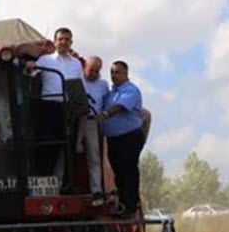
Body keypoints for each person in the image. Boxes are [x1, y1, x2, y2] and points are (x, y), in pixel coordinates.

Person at [26, 28, 82, 179]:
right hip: (49, 107)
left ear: (71, 42)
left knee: (67, 147)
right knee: (48, 145)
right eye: (61, 39)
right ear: (55, 41)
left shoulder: (76, 64)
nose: (64, 42)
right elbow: (31, 73)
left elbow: (79, 85)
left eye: (67, 39)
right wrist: (30, 66)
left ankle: (61, 183)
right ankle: (44, 179)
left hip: (68, 108)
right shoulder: (45, 60)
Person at [98, 60, 145, 215]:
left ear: (125, 73)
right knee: (118, 173)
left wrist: (106, 114)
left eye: (117, 72)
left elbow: (120, 107)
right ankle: (122, 204)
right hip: (114, 140)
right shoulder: (111, 93)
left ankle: (130, 207)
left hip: (128, 138)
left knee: (128, 172)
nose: (114, 75)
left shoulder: (130, 90)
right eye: (112, 72)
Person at [73, 55, 108, 204]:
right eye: (91, 70)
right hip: (74, 121)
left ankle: (97, 190)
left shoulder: (103, 85)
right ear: (84, 68)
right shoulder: (76, 80)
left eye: (96, 71)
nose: (93, 73)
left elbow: (106, 103)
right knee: (67, 153)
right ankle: (60, 185)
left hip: (92, 122)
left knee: (94, 156)